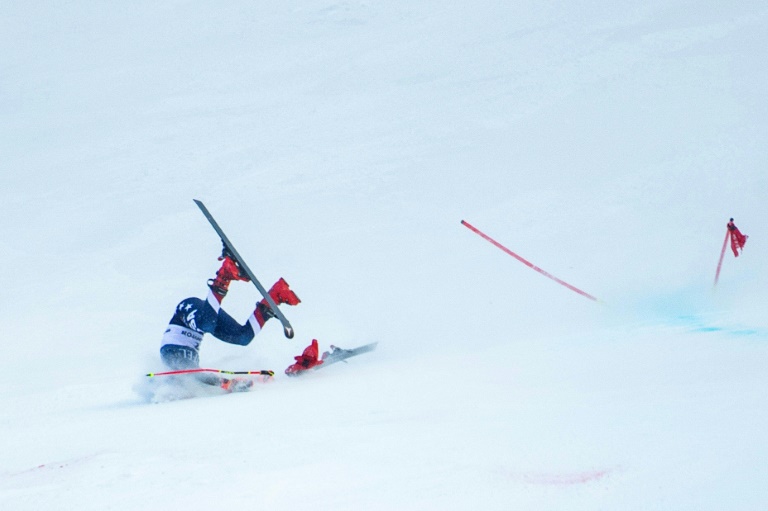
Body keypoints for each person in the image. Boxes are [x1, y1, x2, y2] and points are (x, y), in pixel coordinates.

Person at [160, 249, 301, 391]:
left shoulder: (173, 364)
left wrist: (227, 383)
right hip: (206, 317)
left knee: (206, 325)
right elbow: (201, 375)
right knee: (243, 338)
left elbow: (196, 375)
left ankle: (224, 275)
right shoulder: (190, 370)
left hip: (186, 312)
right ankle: (273, 299)